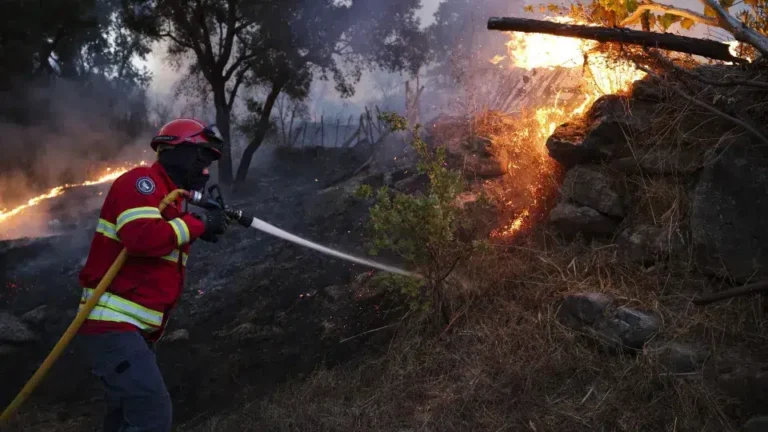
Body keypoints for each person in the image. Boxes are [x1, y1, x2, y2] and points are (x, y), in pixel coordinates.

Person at [77, 118, 229, 432]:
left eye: (210, 161)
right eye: (201, 157)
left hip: (137, 333)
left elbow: (165, 239)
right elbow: (142, 237)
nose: (205, 169)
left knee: (124, 418)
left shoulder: (172, 201)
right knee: (152, 414)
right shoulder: (141, 182)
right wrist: (199, 225)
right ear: (175, 150)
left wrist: (198, 228)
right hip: (112, 325)